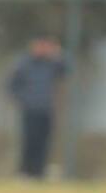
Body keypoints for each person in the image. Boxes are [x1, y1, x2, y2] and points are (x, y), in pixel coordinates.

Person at [8, 36, 66, 179]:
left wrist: (57, 55)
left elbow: (66, 70)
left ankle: (39, 173)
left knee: (44, 142)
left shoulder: (51, 64)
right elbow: (11, 85)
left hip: (46, 109)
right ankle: (25, 172)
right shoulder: (24, 64)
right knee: (29, 141)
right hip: (30, 110)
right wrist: (24, 100)